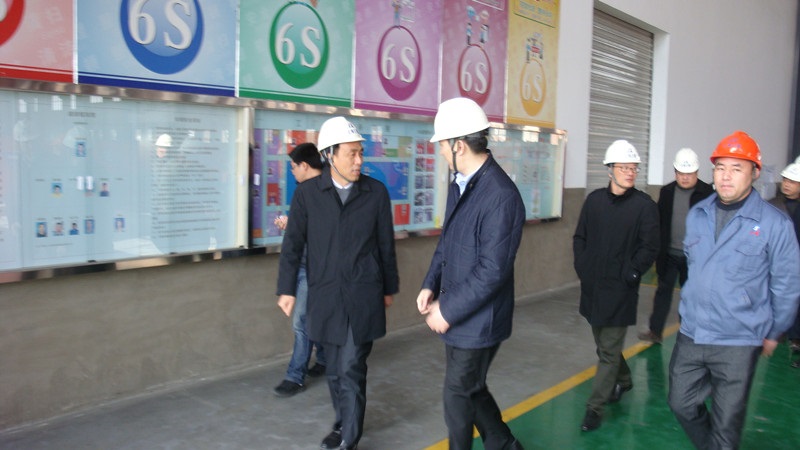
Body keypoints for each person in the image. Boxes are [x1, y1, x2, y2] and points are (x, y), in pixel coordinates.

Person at [668, 131, 800, 449]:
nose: (726, 176)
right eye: (720, 167)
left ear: (754, 173)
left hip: (739, 337)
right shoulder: (698, 214)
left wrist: (775, 330)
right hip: (693, 331)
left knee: (727, 422)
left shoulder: (774, 224)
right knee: (680, 402)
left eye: (736, 168)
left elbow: (787, 283)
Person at [276, 116, 399, 450]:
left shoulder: (375, 193)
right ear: (330, 155)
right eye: (351, 154)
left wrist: (389, 288)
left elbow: (385, 245)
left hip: (363, 294)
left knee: (352, 367)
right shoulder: (308, 195)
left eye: (361, 153)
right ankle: (342, 423)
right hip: (325, 295)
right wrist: (286, 289)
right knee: (332, 369)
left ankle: (349, 438)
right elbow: (293, 245)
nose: (359, 161)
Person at [416, 97, 526, 450]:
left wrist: (447, 310)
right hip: (460, 311)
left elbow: (493, 271)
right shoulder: (461, 183)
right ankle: (504, 443)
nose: (440, 152)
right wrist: (430, 283)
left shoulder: (501, 196)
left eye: (442, 145)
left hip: (480, 319)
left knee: (457, 395)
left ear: (459, 145)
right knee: (470, 388)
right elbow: (447, 242)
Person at [573, 139, 659, 432]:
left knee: (608, 351)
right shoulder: (594, 201)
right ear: (610, 170)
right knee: (603, 344)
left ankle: (594, 408)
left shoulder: (644, 206)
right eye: (624, 167)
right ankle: (624, 379)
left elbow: (650, 247)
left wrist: (631, 274)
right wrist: (582, 266)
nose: (630, 173)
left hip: (620, 290)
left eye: (634, 168)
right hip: (593, 287)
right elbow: (580, 237)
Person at [639, 148, 713, 343]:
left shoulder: (707, 194)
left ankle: (688, 332)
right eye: (681, 173)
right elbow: (659, 223)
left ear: (697, 172)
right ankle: (655, 331)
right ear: (675, 172)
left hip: (694, 257)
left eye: (689, 174)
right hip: (669, 254)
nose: (685, 177)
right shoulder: (667, 192)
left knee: (691, 296)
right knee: (662, 293)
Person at [272, 143, 327, 397]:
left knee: (301, 322)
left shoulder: (322, 189)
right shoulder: (314, 189)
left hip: (315, 268)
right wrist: (293, 223)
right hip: (313, 265)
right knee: (316, 318)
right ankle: (324, 360)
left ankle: (295, 376)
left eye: (294, 167)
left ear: (304, 166)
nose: (292, 171)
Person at [769, 162, 800, 361]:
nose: (787, 184)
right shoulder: (772, 205)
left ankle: (795, 336)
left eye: (793, 182)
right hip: (776, 261)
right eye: (785, 180)